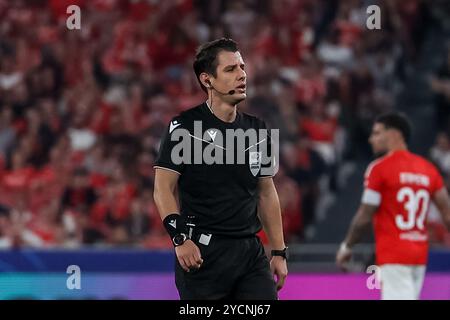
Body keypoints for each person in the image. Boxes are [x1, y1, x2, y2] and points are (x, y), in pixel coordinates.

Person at [153, 38, 288, 300]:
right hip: (203, 256)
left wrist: (279, 252)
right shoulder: (185, 127)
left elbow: (266, 193)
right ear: (207, 80)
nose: (242, 75)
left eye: (242, 67)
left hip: (251, 254)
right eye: (231, 69)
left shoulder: (258, 130)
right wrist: (180, 238)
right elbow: (162, 189)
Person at [336, 112, 450, 300]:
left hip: (393, 253)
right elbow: (447, 214)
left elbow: (364, 215)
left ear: (394, 134)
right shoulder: (429, 169)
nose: (371, 139)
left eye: (377, 133)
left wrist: (347, 247)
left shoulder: (379, 168)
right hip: (419, 255)